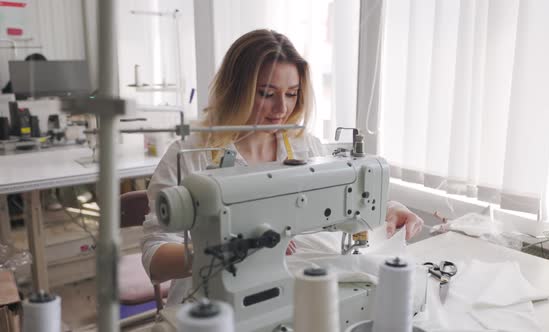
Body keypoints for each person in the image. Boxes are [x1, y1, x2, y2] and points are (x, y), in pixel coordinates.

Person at [141, 29, 424, 305]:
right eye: (266, 93)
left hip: (286, 295)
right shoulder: (190, 155)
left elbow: (340, 204)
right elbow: (155, 261)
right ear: (235, 90)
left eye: (291, 94)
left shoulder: (304, 147)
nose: (281, 109)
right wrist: (233, 249)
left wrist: (389, 209)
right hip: (207, 306)